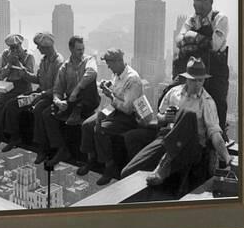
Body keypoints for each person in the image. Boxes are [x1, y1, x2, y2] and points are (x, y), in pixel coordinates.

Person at [121, 57, 232, 186]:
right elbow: (159, 117)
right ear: (187, 79)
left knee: (188, 115)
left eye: (200, 80)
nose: (197, 84)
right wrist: (165, 118)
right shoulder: (173, 93)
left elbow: (215, 133)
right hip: (167, 138)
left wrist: (227, 157)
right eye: (193, 80)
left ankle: (163, 166)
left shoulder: (206, 102)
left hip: (190, 146)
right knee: (127, 172)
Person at [174, 0, 230, 137]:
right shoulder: (192, 20)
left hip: (215, 71)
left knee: (217, 104)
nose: (194, 3)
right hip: (195, 70)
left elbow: (214, 45)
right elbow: (179, 40)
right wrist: (195, 38)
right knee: (185, 100)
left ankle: (218, 143)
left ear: (209, 0)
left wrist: (192, 37)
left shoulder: (220, 19)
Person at [39, 36, 99, 167]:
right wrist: (58, 101)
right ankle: (61, 148)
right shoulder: (65, 67)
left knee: (88, 83)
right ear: (71, 49)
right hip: (72, 100)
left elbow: (92, 72)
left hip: (87, 100)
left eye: (82, 49)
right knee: (47, 114)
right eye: (78, 50)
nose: (81, 52)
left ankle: (77, 110)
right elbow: (57, 89)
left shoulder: (89, 60)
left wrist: (77, 89)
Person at [0, 32, 64, 153]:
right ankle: (14, 137)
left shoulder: (58, 62)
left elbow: (57, 88)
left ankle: (42, 146)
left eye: (39, 46)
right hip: (40, 93)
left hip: (49, 97)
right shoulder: (44, 60)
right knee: (13, 104)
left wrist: (41, 95)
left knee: (38, 110)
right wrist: (23, 72)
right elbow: (37, 79)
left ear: (46, 47)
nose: (38, 48)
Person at [91, 48, 143, 185]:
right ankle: (91, 159)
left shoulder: (132, 79)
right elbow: (116, 91)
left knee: (100, 128)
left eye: (110, 63)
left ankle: (109, 166)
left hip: (129, 117)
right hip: (114, 110)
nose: (108, 66)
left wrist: (110, 96)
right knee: (88, 124)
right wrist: (108, 86)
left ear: (119, 61)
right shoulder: (117, 74)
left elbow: (127, 108)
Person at [0, 34, 35, 149]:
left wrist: (18, 63)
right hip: (7, 84)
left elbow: (29, 77)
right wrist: (9, 64)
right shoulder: (6, 54)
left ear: (20, 45)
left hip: (22, 87)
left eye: (16, 47)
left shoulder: (29, 56)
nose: (13, 50)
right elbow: (0, 75)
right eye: (11, 48)